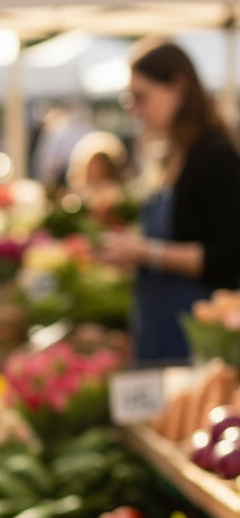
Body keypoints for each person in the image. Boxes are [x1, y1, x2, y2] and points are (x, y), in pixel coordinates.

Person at [98, 39, 240, 364]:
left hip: (196, 338)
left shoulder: (214, 156)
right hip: (157, 328)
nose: (135, 110)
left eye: (141, 97)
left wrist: (145, 252)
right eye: (129, 99)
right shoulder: (172, 154)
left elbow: (228, 256)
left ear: (178, 86)